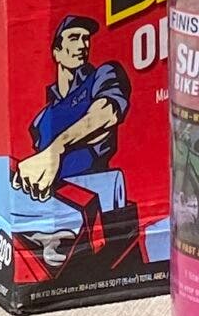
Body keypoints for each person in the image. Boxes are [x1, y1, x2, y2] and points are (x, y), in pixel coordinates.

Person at [12, 14, 129, 201]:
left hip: (95, 196)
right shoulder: (41, 119)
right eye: (74, 38)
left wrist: (57, 147)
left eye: (86, 39)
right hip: (50, 202)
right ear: (56, 52)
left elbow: (106, 114)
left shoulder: (103, 75)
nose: (83, 46)